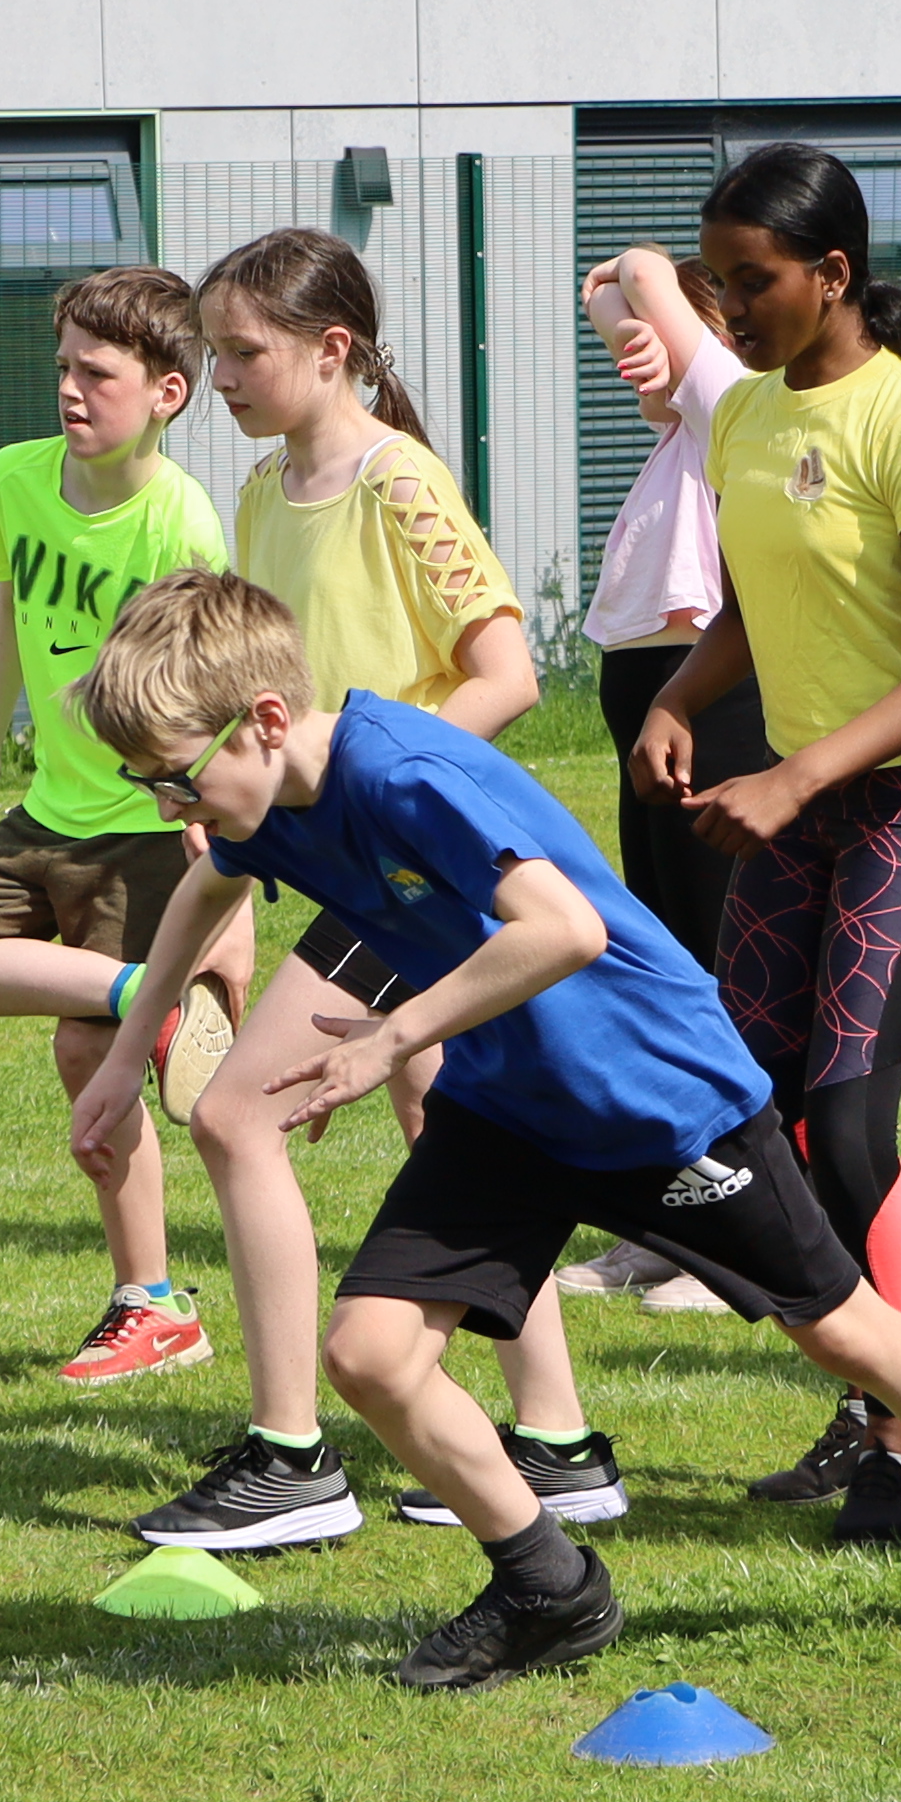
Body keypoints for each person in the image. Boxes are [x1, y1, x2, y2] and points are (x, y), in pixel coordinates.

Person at [72, 569, 901, 1687]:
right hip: (510, 1107)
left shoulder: (399, 773)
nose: (170, 808)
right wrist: (129, 1051)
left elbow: (565, 930)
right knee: (371, 1356)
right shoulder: (266, 803)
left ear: (265, 719)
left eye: (175, 779)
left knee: (842, 1330)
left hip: (656, 1095)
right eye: (150, 784)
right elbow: (210, 891)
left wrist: (394, 1039)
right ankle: (548, 1585)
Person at [133, 226, 612, 1551]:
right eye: (214, 353)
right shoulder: (258, 494)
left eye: (245, 352)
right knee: (454, 1129)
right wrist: (226, 797)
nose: (222, 378)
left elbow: (506, 674)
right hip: (350, 862)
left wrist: (382, 805)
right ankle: (557, 1441)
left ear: (332, 349)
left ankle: (292, 1456)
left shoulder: (398, 481)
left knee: (235, 1113)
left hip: (409, 866)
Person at [631, 144, 901, 1539]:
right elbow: (750, 610)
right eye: (715, 284)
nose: (727, 310)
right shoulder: (742, 416)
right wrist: (678, 699)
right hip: (801, 799)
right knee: (753, 1104)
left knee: (847, 1118)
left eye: (753, 282)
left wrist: (792, 779)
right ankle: (864, 1396)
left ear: (833, 274)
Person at [0, 266, 249, 1387]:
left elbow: (213, 692)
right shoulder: (15, 476)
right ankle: (146, 995)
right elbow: (10, 610)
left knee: (83, 1054)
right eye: (62, 368)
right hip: (44, 813)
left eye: (98, 373)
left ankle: (152, 1306)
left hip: (146, 826)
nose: (70, 391)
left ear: (169, 393)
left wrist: (220, 867)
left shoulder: (180, 518)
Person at [556, 243, 769, 1314]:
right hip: (649, 704)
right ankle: (679, 1219)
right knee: (669, 966)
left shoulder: (735, 401)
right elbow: (609, 295)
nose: (631, 358)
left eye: (657, 340)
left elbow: (635, 272)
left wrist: (647, 295)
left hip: (715, 709)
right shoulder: (682, 434)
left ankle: (750, 1234)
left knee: (726, 968)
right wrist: (631, 318)